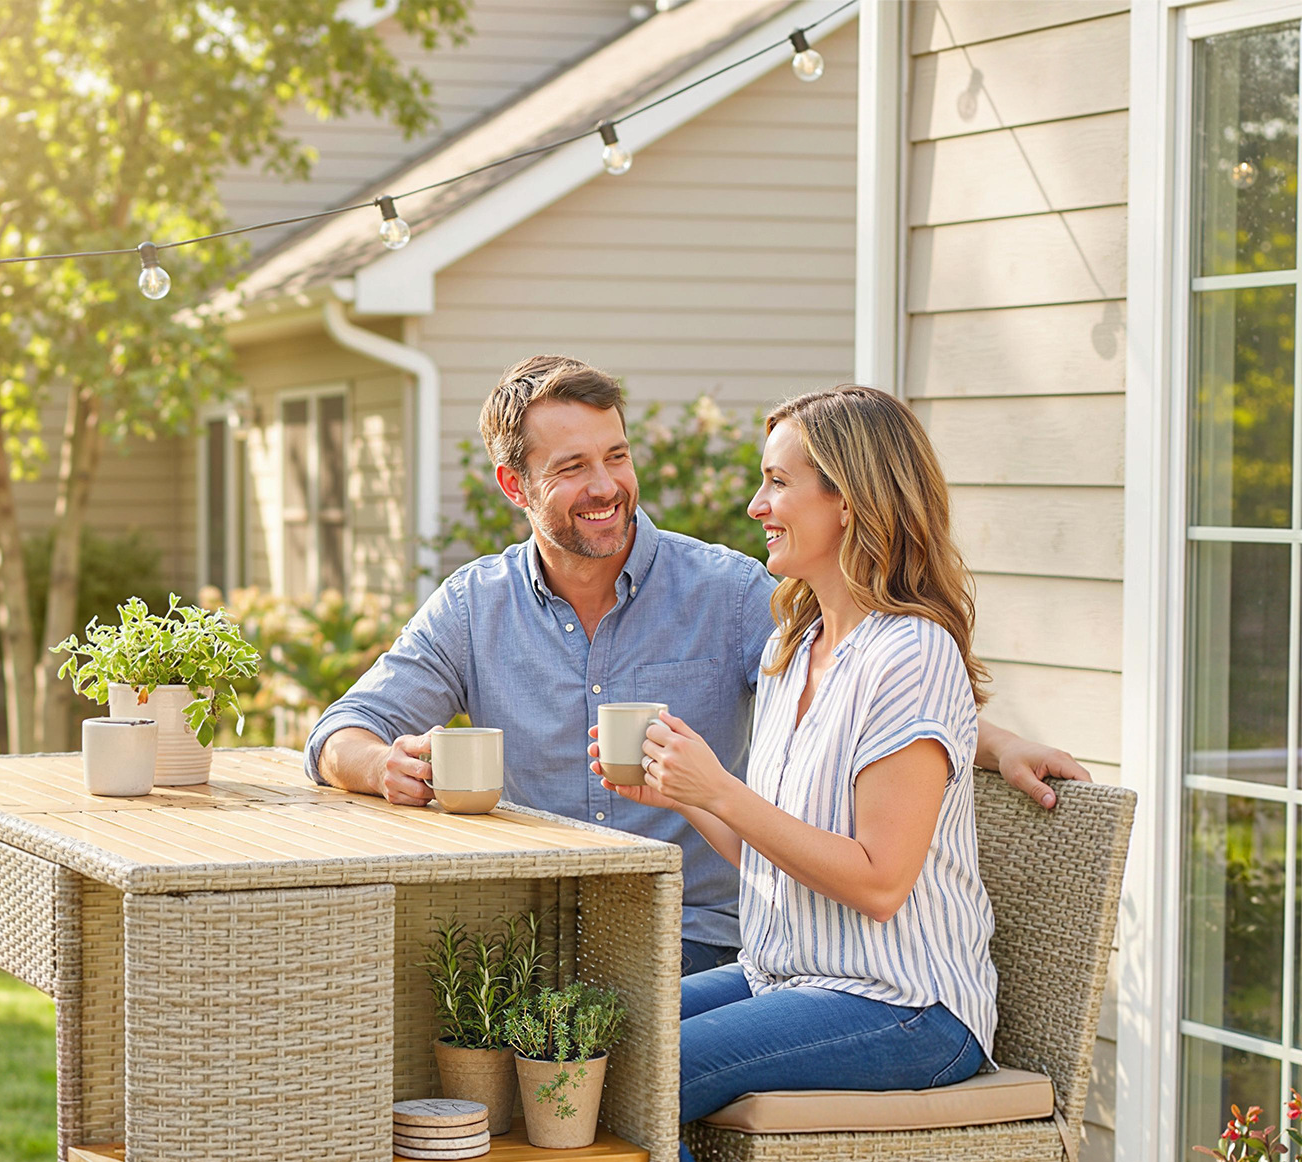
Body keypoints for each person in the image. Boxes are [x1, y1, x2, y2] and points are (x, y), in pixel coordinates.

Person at [307, 355, 1090, 975]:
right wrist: (381, 769)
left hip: (700, 938)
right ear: (516, 484)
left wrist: (998, 744)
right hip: (535, 936)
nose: (607, 486)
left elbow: (867, 683)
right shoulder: (476, 607)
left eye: (616, 455)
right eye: (573, 467)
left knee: (609, 1064)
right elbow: (341, 730)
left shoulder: (729, 592)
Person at [589, 384, 1008, 1162]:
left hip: (902, 1004)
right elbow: (778, 838)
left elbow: (878, 880)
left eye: (779, 479)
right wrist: (689, 793)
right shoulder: (795, 647)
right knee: (580, 1053)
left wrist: (722, 786)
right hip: (794, 971)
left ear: (851, 499)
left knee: (644, 1073)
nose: (757, 502)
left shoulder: (907, 656)